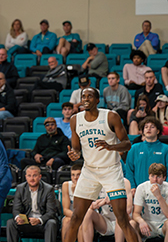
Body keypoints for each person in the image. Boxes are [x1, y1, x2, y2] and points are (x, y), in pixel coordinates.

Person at [63, 87, 138, 242]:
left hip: (111, 170)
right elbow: (76, 148)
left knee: (122, 218)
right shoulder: (75, 119)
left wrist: (111, 147)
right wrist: (75, 154)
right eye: (83, 96)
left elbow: (127, 143)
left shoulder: (111, 116)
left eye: (90, 96)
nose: (86, 99)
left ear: (97, 100)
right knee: (76, 217)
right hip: (89, 171)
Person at [6, 165, 59, 242]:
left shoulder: (48, 189)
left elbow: (51, 212)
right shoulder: (20, 188)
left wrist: (39, 220)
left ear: (40, 176)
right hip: (27, 221)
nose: (32, 178)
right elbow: (16, 209)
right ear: (26, 177)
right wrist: (18, 217)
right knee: (11, 223)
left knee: (51, 223)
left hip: (43, 222)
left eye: (34, 175)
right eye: (29, 176)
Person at [125, 117, 168, 191]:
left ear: (158, 131)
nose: (149, 129)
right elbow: (129, 170)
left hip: (160, 190)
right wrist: (132, 187)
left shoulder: (165, 149)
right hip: (138, 190)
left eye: (152, 127)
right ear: (143, 131)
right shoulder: (134, 148)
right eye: (146, 127)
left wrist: (165, 187)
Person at [131, 163, 168, 241]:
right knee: (132, 224)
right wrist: (141, 221)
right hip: (147, 223)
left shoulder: (167, 188)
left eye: (158, 177)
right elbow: (136, 213)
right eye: (152, 176)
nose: (154, 180)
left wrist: (159, 196)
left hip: (162, 224)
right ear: (149, 176)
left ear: (164, 178)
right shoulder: (141, 188)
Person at [60, 163, 82, 242]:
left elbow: (83, 208)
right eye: (73, 175)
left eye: (78, 175)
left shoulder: (88, 185)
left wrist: (76, 192)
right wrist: (75, 217)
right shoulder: (66, 185)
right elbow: (65, 210)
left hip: (86, 215)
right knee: (66, 221)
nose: (75, 178)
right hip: (72, 215)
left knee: (82, 223)